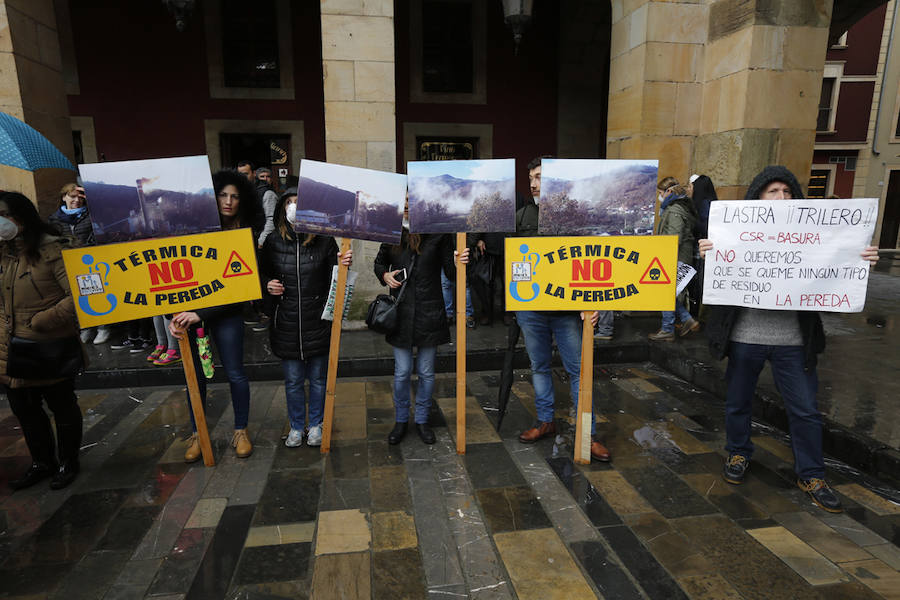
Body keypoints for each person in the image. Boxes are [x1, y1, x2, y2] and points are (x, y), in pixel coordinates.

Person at [701, 165, 880, 513]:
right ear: (758, 197)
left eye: (787, 191)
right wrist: (710, 256)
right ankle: (738, 453)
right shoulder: (736, 233)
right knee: (738, 402)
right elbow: (715, 287)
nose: (781, 198)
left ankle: (811, 474)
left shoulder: (814, 234)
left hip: (794, 342)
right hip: (745, 337)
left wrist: (857, 263)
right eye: (773, 191)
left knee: (806, 411)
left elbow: (833, 280)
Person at [515, 157, 609, 462]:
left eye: (539, 177)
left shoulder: (575, 215)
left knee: (579, 370)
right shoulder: (521, 217)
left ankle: (588, 434)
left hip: (569, 311)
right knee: (539, 366)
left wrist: (591, 303)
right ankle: (546, 421)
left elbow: (590, 260)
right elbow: (511, 261)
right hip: (531, 309)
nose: (533, 183)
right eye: (531, 177)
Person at [169, 169, 263, 462]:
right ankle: (199, 434)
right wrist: (173, 316)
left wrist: (200, 313)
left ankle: (240, 430)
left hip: (226, 315)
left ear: (242, 200)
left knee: (235, 373)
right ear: (213, 196)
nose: (228, 201)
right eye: (223, 194)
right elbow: (170, 276)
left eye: (235, 196)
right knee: (194, 378)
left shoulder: (244, 235)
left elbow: (240, 289)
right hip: (189, 315)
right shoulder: (193, 229)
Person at [0, 192, 84, 490]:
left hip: (49, 346)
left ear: (20, 218)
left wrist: (43, 321)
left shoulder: (53, 250)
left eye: (3, 214)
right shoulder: (5, 252)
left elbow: (80, 294)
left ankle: (68, 462)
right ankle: (42, 462)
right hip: (11, 348)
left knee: (61, 405)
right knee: (24, 409)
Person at [260, 187, 352, 447]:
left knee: (319, 379)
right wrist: (267, 285)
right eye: (288, 202)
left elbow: (337, 277)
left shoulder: (323, 240)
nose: (293, 207)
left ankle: (316, 424)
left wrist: (344, 264)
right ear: (282, 209)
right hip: (286, 323)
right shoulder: (273, 242)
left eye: (298, 202)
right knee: (292, 380)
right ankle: (296, 426)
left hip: (317, 322)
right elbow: (259, 274)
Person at [374, 218, 469, 445]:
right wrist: (385, 276)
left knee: (426, 372)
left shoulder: (438, 233)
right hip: (401, 314)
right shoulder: (390, 230)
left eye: (412, 199)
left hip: (429, 311)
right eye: (405, 199)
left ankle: (423, 419)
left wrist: (460, 262)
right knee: (402, 372)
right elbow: (379, 264)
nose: (408, 204)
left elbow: (451, 273)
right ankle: (400, 420)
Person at [49, 183, 112, 345]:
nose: (76, 200)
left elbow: (99, 234)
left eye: (79, 197)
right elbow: (51, 241)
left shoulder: (91, 215)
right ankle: (85, 328)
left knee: (95, 293)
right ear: (64, 197)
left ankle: (102, 327)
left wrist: (84, 247)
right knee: (75, 297)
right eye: (72, 196)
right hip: (66, 263)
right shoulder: (54, 219)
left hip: (88, 261)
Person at [648, 177, 699, 341]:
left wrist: (662, 249)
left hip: (675, 256)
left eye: (661, 193)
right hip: (678, 255)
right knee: (669, 292)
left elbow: (674, 237)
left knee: (666, 292)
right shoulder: (679, 206)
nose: (660, 196)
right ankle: (686, 320)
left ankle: (668, 329)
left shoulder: (675, 209)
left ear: (669, 192)